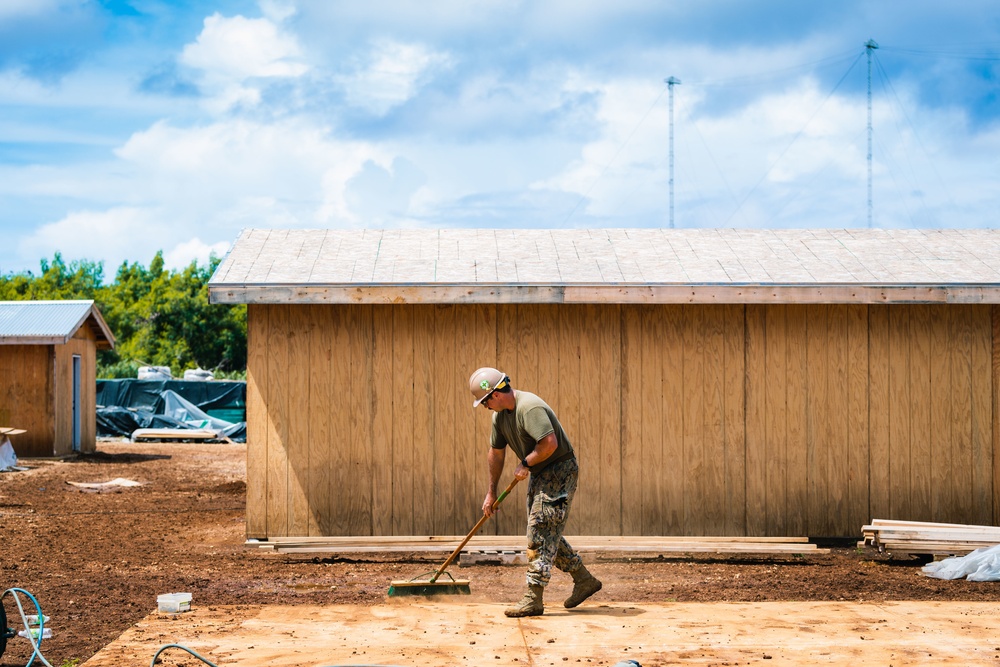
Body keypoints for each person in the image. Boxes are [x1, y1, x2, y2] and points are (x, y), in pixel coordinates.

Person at [468, 366, 603, 617]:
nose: (485, 407)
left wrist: (526, 463)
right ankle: (583, 579)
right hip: (541, 472)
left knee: (540, 527)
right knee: (544, 529)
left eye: (485, 402)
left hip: (559, 469)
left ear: (495, 395)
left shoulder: (529, 407)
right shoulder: (500, 417)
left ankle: (534, 597)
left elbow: (549, 443)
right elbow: (496, 453)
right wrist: (491, 493)